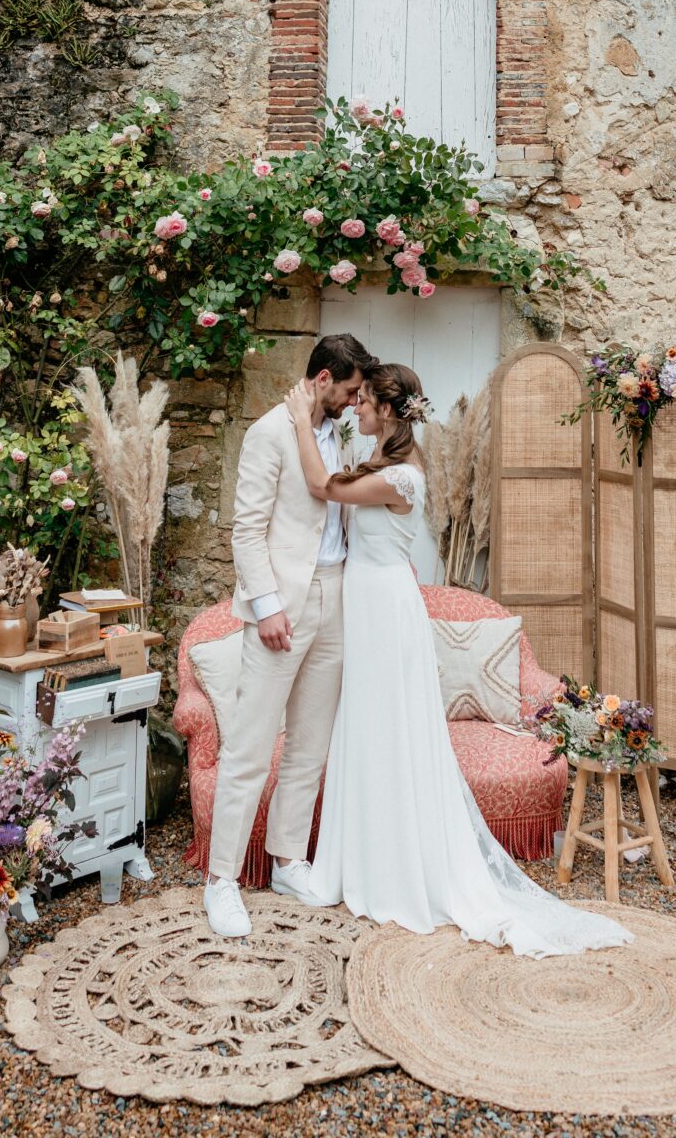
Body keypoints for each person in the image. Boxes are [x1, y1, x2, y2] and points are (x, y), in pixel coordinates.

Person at [280, 361, 633, 958]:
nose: (357, 408)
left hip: (386, 613)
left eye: (363, 401)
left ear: (389, 411)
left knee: (389, 731)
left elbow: (323, 488)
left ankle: (396, 870)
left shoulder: (402, 479)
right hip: (369, 605)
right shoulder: (388, 467)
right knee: (367, 731)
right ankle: (369, 856)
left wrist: (298, 423)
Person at [203, 331, 376, 939]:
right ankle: (220, 881)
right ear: (324, 379)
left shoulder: (346, 431)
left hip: (338, 599)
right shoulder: (269, 432)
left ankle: (286, 861)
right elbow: (246, 531)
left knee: (309, 746)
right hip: (283, 609)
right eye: (351, 391)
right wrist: (269, 606)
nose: (358, 403)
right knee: (249, 747)